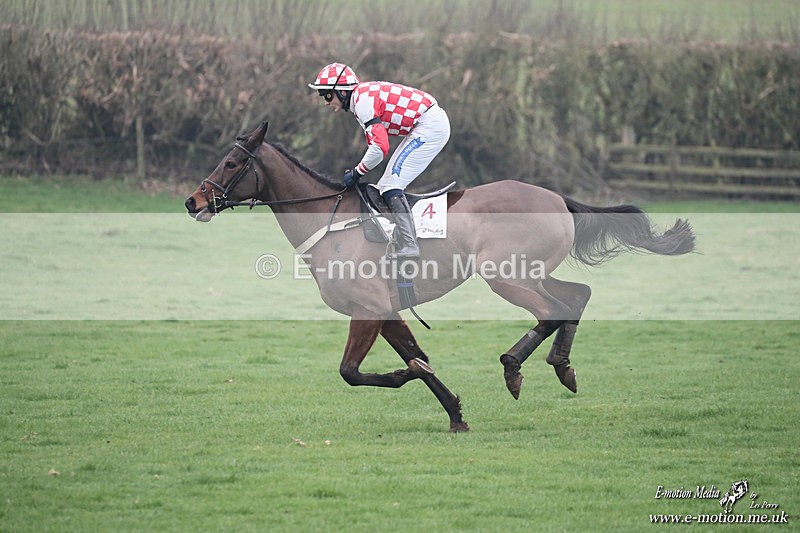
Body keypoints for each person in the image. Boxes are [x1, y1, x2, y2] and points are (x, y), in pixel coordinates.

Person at [308, 62, 450, 259]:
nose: (325, 101)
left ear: (341, 92)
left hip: (430, 126)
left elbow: (380, 148)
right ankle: (401, 235)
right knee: (384, 186)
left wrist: (357, 172)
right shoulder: (361, 99)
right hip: (425, 124)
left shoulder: (363, 102)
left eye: (326, 94)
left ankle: (410, 245)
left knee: (391, 186)